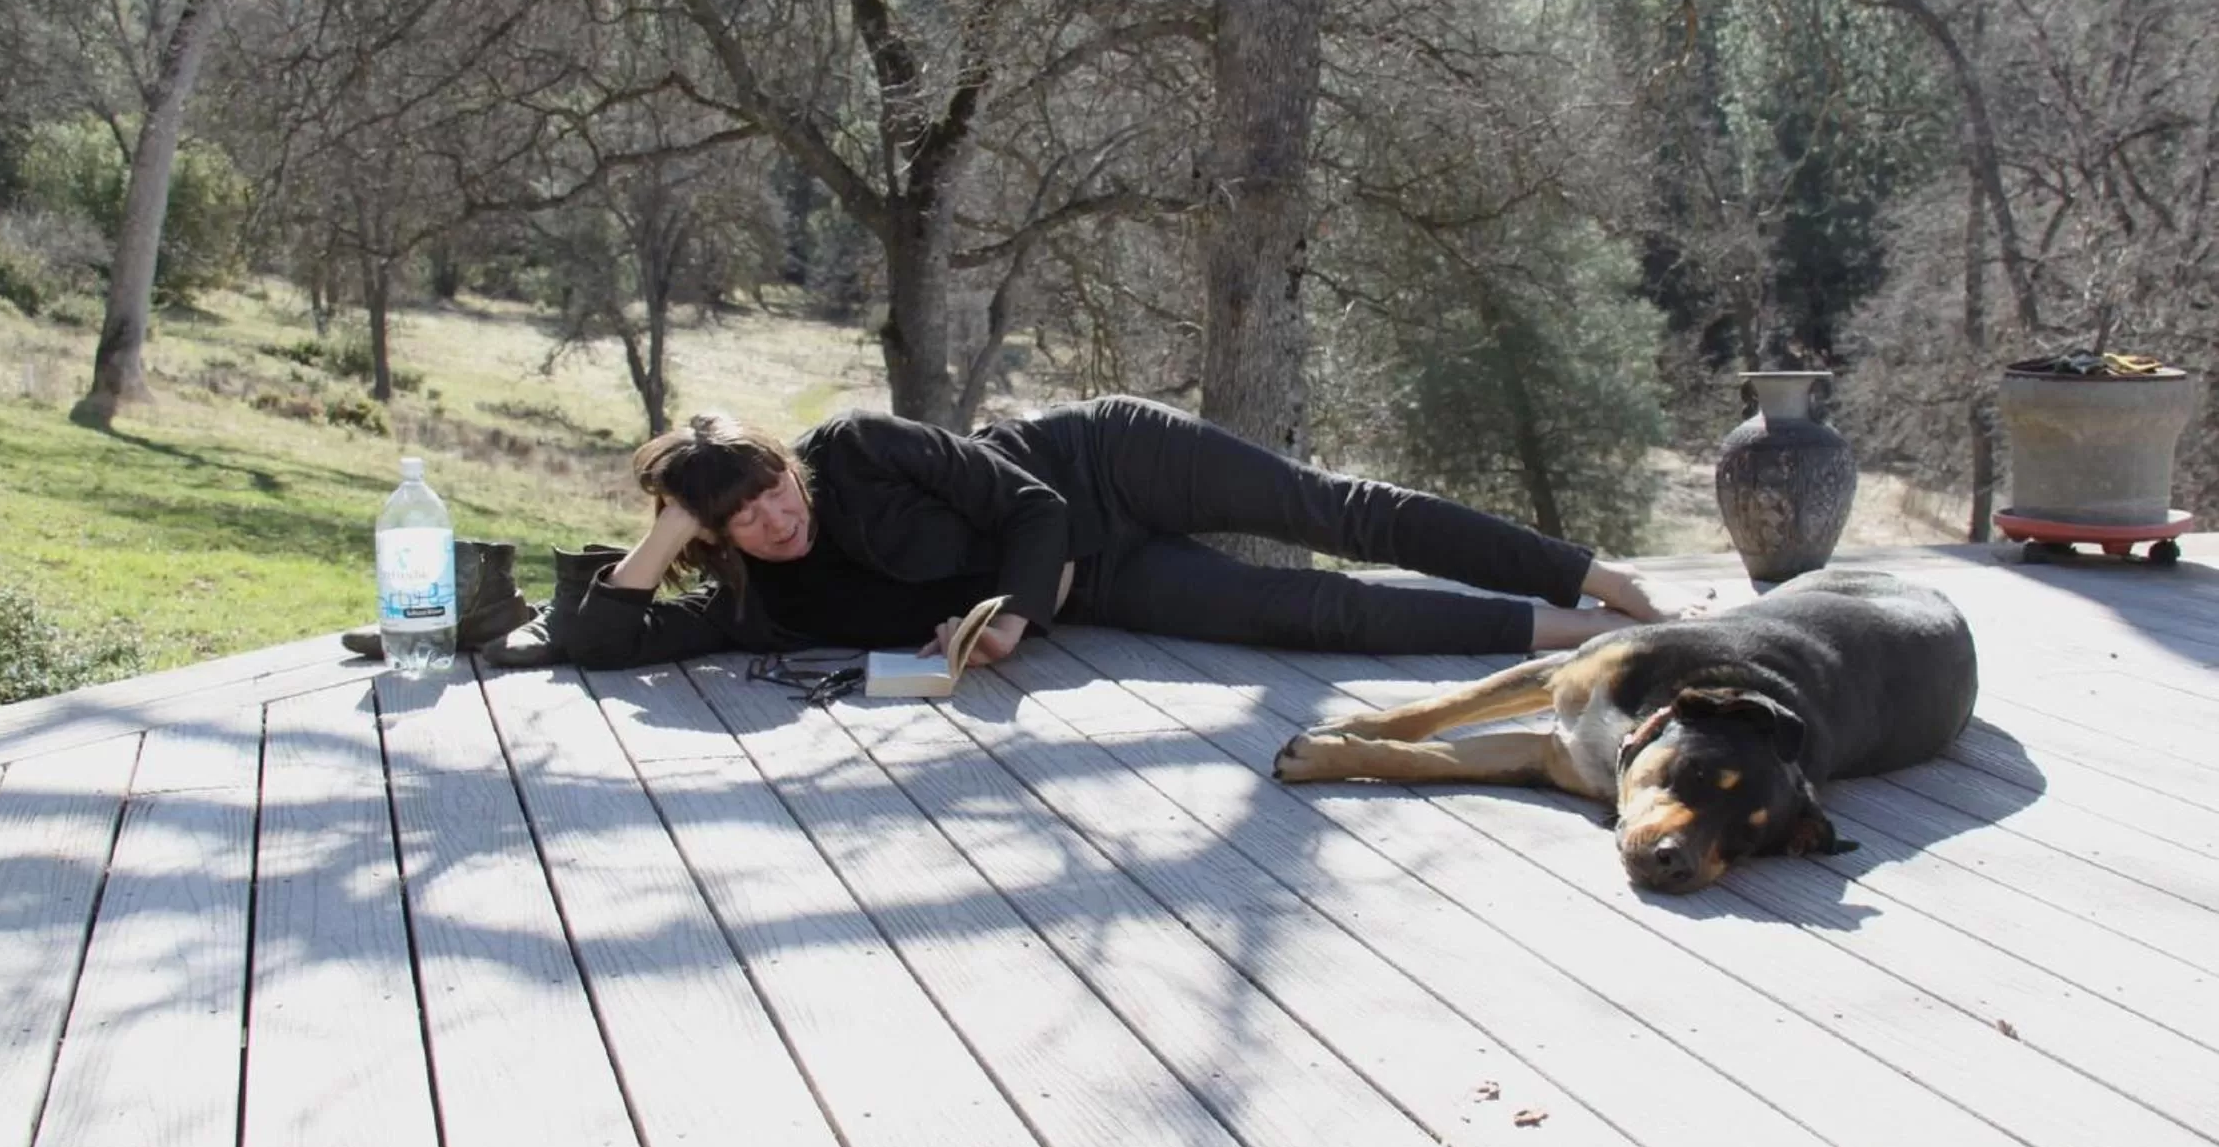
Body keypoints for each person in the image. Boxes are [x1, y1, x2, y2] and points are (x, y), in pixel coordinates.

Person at [565, 394, 1706, 672]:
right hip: (1096, 585)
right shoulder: (765, 601)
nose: (777, 515)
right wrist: (669, 528)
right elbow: (600, 641)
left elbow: (1032, 506)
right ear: (712, 534)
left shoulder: (859, 446)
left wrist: (1010, 620)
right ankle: (1578, 632)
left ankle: (1601, 577)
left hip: (1101, 464)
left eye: (771, 487)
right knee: (1303, 612)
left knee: (1336, 512)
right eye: (741, 516)